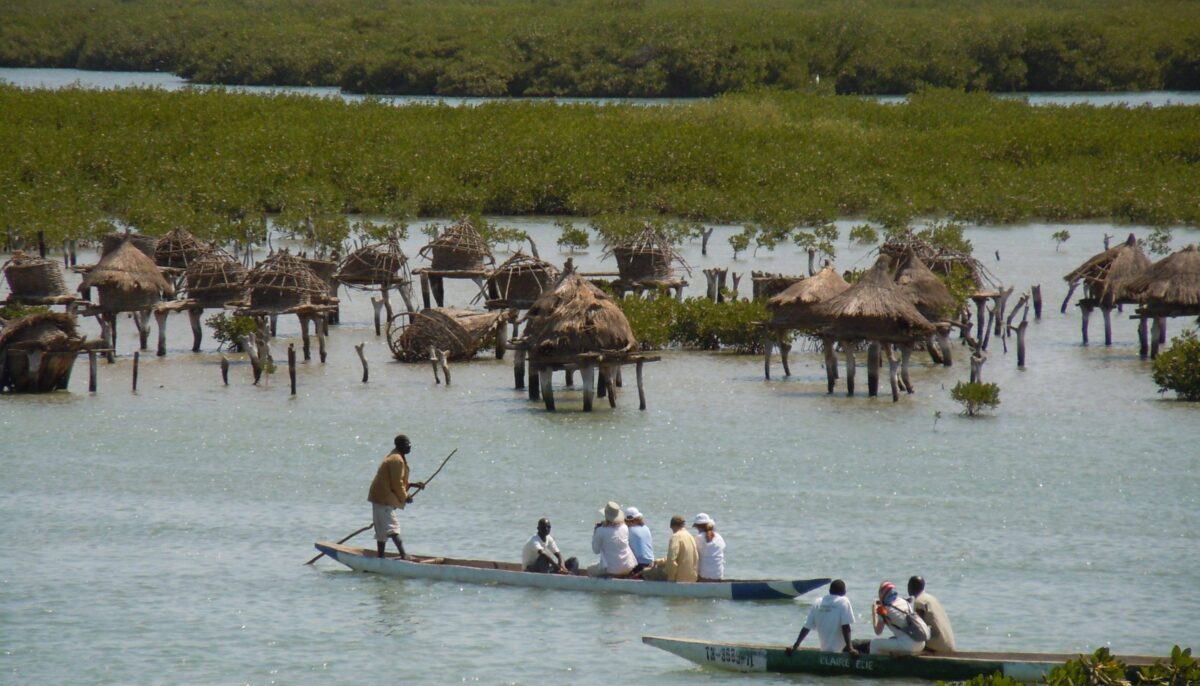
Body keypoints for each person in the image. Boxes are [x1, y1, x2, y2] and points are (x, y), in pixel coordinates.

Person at [367, 434, 424, 560]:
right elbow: (396, 483)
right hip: (383, 498)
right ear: (399, 446)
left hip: (379, 496)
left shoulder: (396, 457)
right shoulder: (396, 460)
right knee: (393, 527)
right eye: (406, 445)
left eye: (410, 445)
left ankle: (380, 557)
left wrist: (413, 484)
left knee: (381, 530)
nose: (409, 447)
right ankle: (404, 555)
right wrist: (405, 497)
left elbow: (396, 480)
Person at [785, 579, 857, 656]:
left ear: (829, 591)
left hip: (824, 649)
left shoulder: (818, 602)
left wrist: (795, 645)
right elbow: (845, 627)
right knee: (865, 644)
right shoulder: (844, 601)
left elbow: (806, 627)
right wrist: (850, 648)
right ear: (844, 592)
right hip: (842, 650)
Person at [870, 580, 929, 655]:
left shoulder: (884, 609)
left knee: (874, 644)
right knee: (893, 639)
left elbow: (878, 632)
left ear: (882, 594)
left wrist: (873, 611)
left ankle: (876, 665)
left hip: (909, 645)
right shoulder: (904, 601)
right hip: (921, 643)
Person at [587, 501, 637, 578]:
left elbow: (595, 550)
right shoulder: (625, 527)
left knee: (589, 569)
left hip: (612, 569)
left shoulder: (601, 530)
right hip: (629, 566)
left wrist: (595, 532)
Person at [642, 515, 698, 582]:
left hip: (679, 578)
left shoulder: (675, 537)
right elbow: (694, 557)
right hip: (692, 577)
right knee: (660, 567)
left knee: (645, 571)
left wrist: (670, 579)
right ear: (683, 525)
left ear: (672, 526)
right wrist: (658, 562)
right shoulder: (690, 536)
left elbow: (672, 560)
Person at [908, 576, 956, 653]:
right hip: (948, 645)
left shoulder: (919, 602)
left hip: (938, 646)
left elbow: (918, 627)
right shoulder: (931, 598)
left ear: (910, 587)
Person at [692, 513, 725, 581]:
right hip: (719, 575)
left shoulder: (698, 538)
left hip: (704, 576)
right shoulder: (719, 537)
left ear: (697, 527)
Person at [624, 506, 654, 575]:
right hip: (650, 563)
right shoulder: (646, 528)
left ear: (627, 520)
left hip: (639, 565)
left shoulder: (629, 531)